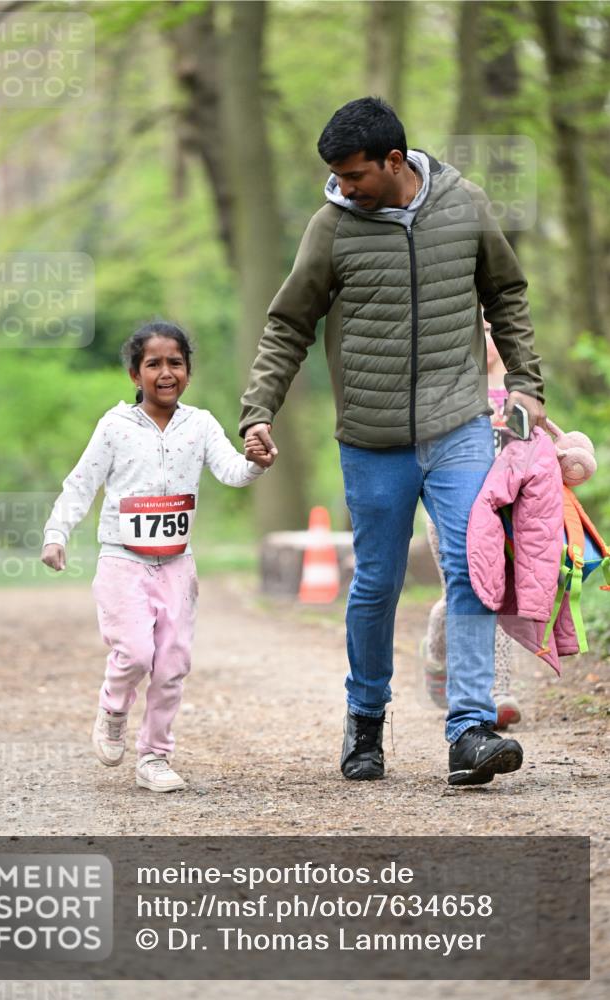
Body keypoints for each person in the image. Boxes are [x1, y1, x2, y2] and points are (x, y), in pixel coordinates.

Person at [242, 97, 546, 787]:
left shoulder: (463, 204)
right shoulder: (330, 228)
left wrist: (525, 383)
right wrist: (258, 407)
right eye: (337, 179)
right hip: (371, 438)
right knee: (375, 583)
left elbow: (506, 293)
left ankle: (469, 729)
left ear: (392, 160)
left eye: (354, 176)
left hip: (459, 425)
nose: (345, 189)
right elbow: (289, 324)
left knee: (472, 570)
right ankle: (365, 718)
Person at [41, 320, 271, 792]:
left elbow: (230, 471)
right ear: (134, 373)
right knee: (135, 652)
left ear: (188, 371)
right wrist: (57, 533)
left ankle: (154, 756)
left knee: (172, 661)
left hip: (177, 566)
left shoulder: (201, 424)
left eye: (175, 363)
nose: (165, 372)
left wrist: (255, 462)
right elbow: (81, 483)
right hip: (123, 560)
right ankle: (113, 707)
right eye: (153, 364)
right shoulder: (115, 427)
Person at [422, 319, 522, 729]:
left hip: (504, 514)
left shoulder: (519, 394)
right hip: (451, 513)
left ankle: (497, 692)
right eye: (477, 327)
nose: (487, 337)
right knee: (460, 595)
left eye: (492, 327)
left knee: (494, 594)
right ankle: (435, 649)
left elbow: (530, 452)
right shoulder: (453, 392)